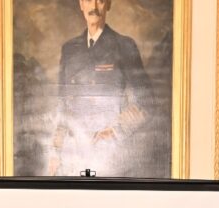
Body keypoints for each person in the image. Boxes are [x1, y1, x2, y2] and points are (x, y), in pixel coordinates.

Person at [49, 0, 153, 177]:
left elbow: (146, 102)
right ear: (81, 4)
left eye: (101, 1)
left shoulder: (124, 46)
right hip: (73, 157)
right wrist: (55, 151)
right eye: (89, 1)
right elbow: (62, 106)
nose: (94, 7)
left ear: (109, 5)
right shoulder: (69, 49)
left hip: (109, 157)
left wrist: (114, 131)